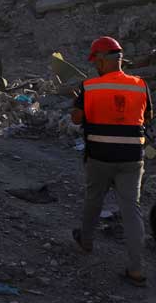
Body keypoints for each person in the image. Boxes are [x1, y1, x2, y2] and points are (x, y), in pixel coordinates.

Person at [71, 36, 151, 288]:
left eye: (95, 61)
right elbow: (147, 116)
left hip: (100, 156)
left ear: (103, 60)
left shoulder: (89, 86)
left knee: (94, 199)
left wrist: (80, 105)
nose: (95, 65)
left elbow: (76, 119)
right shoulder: (140, 85)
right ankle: (136, 270)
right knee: (132, 209)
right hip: (132, 157)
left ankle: (86, 242)